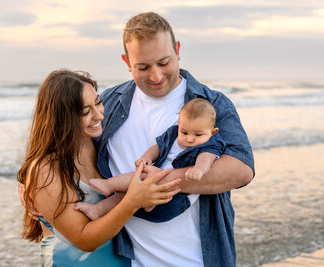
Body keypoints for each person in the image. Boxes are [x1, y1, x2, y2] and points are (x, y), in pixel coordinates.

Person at [93, 12, 255, 267]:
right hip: (129, 260)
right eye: (143, 67)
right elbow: (67, 148)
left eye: (164, 62)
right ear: (127, 61)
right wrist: (33, 181)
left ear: (177, 50)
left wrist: (149, 186)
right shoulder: (108, 103)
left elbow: (241, 170)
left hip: (199, 260)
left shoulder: (213, 103)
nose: (156, 76)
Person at [16, 69, 181, 267]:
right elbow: (85, 240)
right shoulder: (45, 169)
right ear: (62, 118)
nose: (99, 115)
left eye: (97, 102)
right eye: (85, 112)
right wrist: (132, 201)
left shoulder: (101, 146)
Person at [75, 98, 226, 219]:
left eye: (198, 135)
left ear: (213, 132)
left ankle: (109, 185)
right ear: (179, 124)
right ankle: (99, 209)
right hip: (153, 189)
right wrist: (146, 157)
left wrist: (198, 170)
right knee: (130, 191)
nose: (190, 139)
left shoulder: (210, 145)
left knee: (142, 177)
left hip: (173, 201)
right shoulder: (173, 133)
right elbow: (157, 147)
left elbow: (206, 159)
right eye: (184, 132)